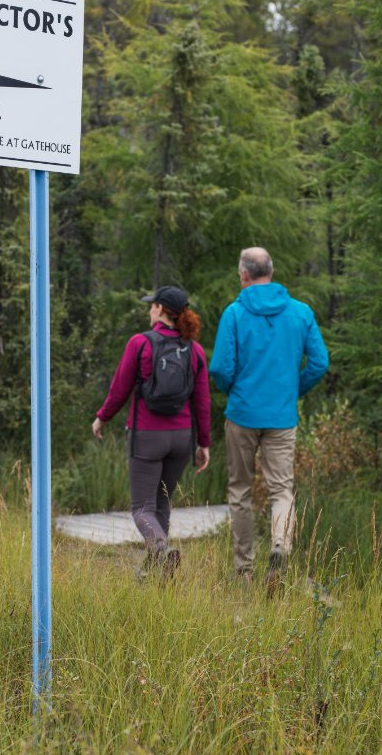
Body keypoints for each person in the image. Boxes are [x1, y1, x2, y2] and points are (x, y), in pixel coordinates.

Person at [209, 247, 329, 588]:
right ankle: (280, 543)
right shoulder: (301, 313)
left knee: (240, 491)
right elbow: (319, 363)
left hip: (243, 414)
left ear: (244, 275)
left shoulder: (234, 314)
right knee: (281, 490)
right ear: (271, 272)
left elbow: (219, 367)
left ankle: (244, 570)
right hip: (281, 416)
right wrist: (293, 390)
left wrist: (235, 389)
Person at [92, 286, 211, 577]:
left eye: (151, 305)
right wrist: (204, 443)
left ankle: (160, 550)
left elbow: (120, 388)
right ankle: (157, 572)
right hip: (182, 438)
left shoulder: (141, 343)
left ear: (159, 309)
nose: (149, 310)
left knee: (142, 508)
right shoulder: (194, 350)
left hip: (147, 435)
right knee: (161, 502)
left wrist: (101, 418)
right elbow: (202, 400)